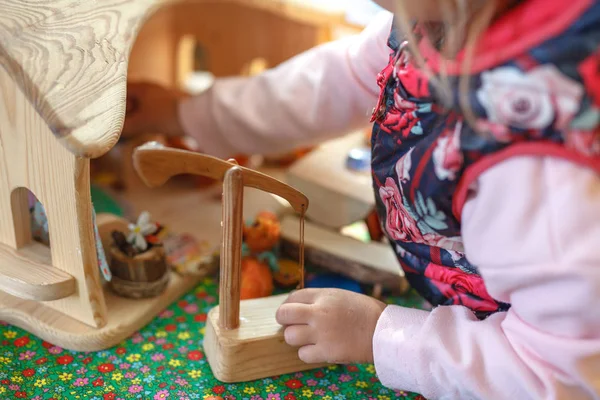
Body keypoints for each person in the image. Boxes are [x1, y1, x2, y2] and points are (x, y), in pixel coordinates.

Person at [122, 0, 600, 398]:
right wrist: (187, 113)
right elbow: (330, 82)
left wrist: (382, 336)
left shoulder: (544, 173)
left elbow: (559, 374)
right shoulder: (436, 17)